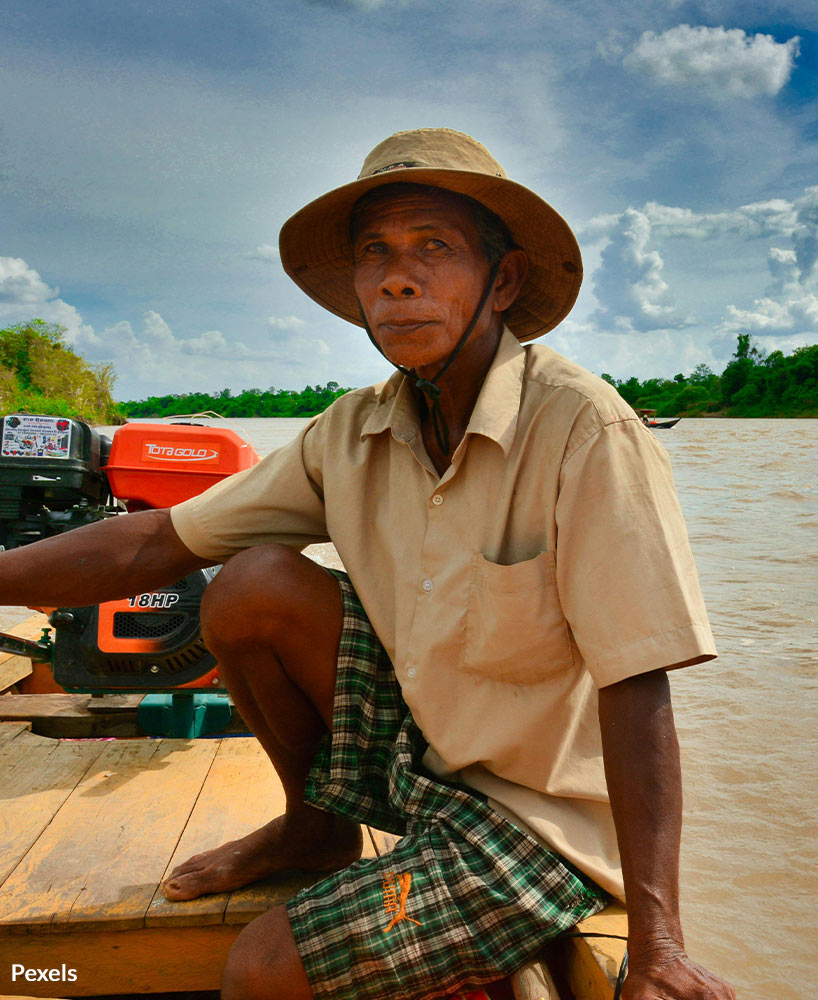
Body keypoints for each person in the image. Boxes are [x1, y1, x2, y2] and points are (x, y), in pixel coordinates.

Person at [0, 128, 736, 1000]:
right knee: (252, 584)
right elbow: (158, 540)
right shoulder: (351, 432)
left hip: (541, 821)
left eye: (435, 248)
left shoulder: (584, 429)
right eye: (375, 254)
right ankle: (314, 830)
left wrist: (658, 942)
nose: (398, 276)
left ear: (500, 281)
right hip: (424, 760)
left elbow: (638, 679)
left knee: (266, 970)